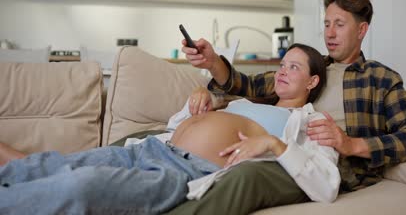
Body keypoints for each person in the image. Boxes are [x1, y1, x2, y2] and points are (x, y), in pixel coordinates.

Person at [169, 0, 406, 214]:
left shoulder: (379, 79)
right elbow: (246, 85)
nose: (330, 33)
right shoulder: (308, 67)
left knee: (243, 177)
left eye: (339, 24)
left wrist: (352, 145)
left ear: (361, 30)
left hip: (324, 168)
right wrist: (213, 62)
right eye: (326, 24)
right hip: (286, 150)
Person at [0, 44, 340, 214]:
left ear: (312, 81)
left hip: (185, 172)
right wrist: (198, 102)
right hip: (150, 147)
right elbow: (177, 125)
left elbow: (326, 186)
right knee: (57, 165)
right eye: (281, 64)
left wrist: (274, 145)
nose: (281, 71)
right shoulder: (241, 102)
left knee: (81, 185)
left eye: (292, 67)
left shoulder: (312, 123)